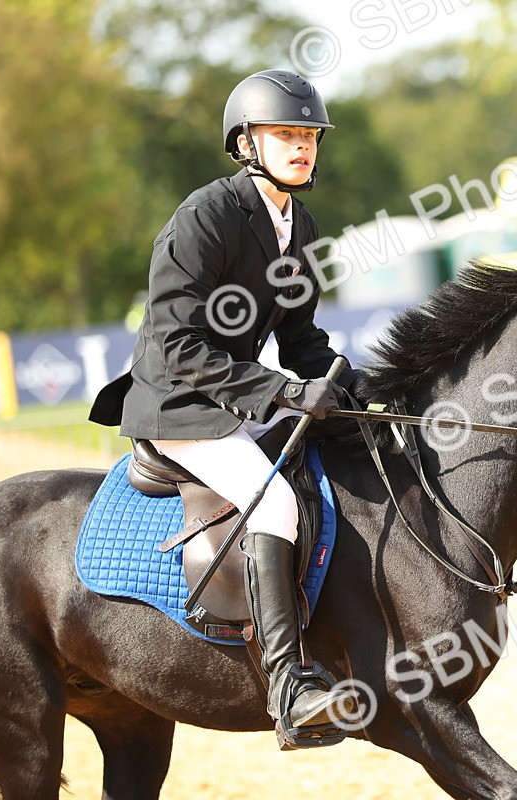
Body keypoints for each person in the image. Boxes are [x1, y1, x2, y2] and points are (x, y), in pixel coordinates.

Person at [90, 69, 359, 748]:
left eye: (309, 135)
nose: (302, 146)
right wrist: (286, 392)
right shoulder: (205, 216)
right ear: (245, 143)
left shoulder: (298, 224)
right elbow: (177, 344)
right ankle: (289, 687)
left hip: (234, 397)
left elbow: (301, 339)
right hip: (178, 405)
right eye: (285, 134)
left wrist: (346, 387)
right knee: (274, 502)